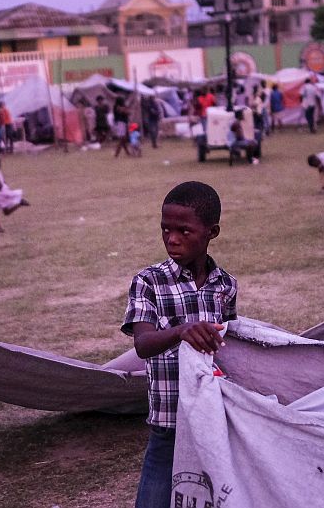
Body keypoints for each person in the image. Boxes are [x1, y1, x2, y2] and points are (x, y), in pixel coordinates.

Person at [121, 181, 238, 508]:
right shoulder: (148, 281)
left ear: (211, 232)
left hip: (213, 413)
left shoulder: (225, 285)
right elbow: (143, 344)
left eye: (184, 231)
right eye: (166, 229)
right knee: (154, 498)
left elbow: (230, 342)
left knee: (212, 494)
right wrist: (181, 331)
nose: (172, 238)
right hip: (169, 418)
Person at [0, 157, 29, 233]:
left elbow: (0, 185)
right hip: (0, 194)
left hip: (0, 195)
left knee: (3, 212)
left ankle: (20, 203)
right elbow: (3, 182)